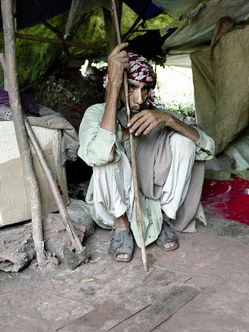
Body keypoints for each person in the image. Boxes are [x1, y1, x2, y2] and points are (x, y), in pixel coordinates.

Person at [78, 43, 215, 262]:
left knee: (185, 141)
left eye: (144, 89)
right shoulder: (95, 113)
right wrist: (114, 86)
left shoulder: (152, 114)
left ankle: (163, 218)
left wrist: (168, 119)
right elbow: (100, 155)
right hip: (112, 208)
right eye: (131, 88)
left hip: (151, 201)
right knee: (110, 153)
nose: (139, 99)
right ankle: (121, 227)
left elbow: (208, 147)